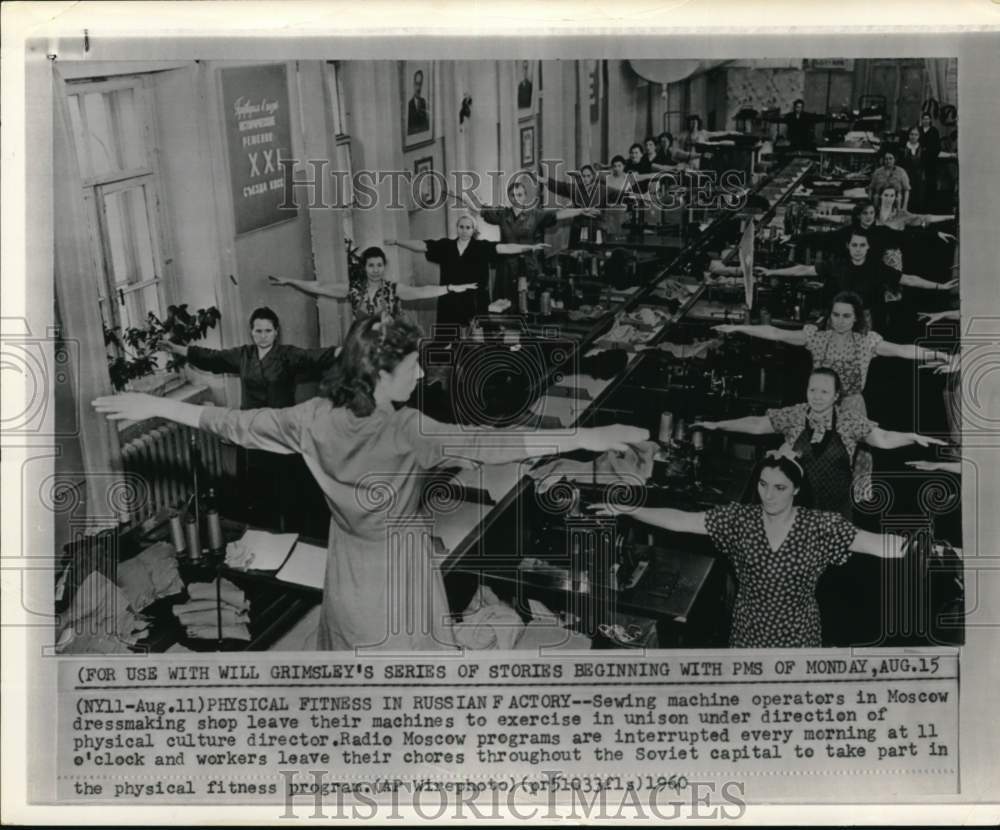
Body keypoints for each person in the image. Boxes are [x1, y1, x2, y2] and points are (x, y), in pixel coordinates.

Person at [95, 315, 649, 651]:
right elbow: (490, 443)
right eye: (412, 366)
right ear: (381, 373)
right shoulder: (407, 428)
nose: (422, 373)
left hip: (349, 566)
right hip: (402, 567)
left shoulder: (312, 416)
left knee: (355, 657)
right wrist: (586, 435)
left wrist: (155, 405)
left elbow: (232, 423)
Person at [593, 454, 916, 648]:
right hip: (748, 629)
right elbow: (682, 521)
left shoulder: (821, 526)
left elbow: (875, 543)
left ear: (796, 490)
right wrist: (630, 510)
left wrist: (933, 549)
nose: (768, 495)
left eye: (779, 488)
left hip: (798, 633)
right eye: (763, 484)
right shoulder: (739, 520)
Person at [714, 292, 950, 500]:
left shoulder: (867, 342)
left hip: (851, 407)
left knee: (849, 461)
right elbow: (776, 332)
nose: (840, 320)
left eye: (846, 316)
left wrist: (941, 355)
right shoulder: (817, 338)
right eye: (836, 315)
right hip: (819, 407)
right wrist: (739, 328)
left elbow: (903, 350)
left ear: (856, 318)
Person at [163, 306, 340, 532]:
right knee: (257, 489)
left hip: (281, 431)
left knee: (287, 488)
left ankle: (292, 533)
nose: (263, 336)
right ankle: (262, 534)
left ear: (276, 332)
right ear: (251, 331)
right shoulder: (244, 355)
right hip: (251, 430)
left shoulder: (288, 355)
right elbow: (213, 358)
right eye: (258, 331)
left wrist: (350, 350)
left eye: (268, 331)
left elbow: (317, 356)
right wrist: (178, 349)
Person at [693, 368, 945, 517]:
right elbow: (758, 424)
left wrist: (912, 437)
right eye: (812, 390)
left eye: (824, 392)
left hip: (835, 509)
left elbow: (884, 439)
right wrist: (718, 425)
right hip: (794, 507)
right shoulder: (795, 414)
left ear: (836, 396)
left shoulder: (848, 421)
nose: (817, 396)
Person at [758, 228, 957, 330]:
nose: (858, 250)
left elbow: (909, 280)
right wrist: (771, 272)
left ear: (868, 247)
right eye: (854, 245)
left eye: (862, 245)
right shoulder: (837, 265)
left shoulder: (877, 268)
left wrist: (939, 286)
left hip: (863, 321)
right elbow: (804, 270)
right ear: (848, 247)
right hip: (836, 318)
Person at [385, 215, 548, 333]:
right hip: (450, 298)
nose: (464, 230)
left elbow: (504, 248)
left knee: (478, 337)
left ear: (473, 230)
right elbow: (422, 245)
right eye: (461, 227)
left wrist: (530, 247)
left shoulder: (481, 247)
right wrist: (398, 242)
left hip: (475, 299)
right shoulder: (446, 246)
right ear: (457, 228)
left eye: (468, 227)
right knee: (448, 337)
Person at [447, 176, 599, 300]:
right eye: (513, 195)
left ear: (525, 196)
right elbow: (478, 208)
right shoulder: (502, 214)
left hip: (528, 267)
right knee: (505, 304)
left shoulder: (535, 214)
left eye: (519, 195)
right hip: (506, 268)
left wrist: (580, 211)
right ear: (509, 197)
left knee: (528, 303)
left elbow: (558, 214)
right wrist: (458, 195)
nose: (516, 198)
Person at [269, 246, 476, 321]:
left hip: (390, 346)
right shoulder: (353, 289)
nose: (375, 270)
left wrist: (449, 288)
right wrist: (291, 281)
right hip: (363, 345)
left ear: (384, 266)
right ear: (364, 267)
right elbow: (320, 287)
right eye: (371, 265)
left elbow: (422, 291)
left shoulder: (393, 289)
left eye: (379, 265)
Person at [873, 184, 955, 272]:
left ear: (895, 197)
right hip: (873, 255)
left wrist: (950, 217)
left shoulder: (901, 214)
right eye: (886, 195)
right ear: (880, 196)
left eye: (892, 195)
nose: (889, 199)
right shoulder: (872, 212)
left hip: (892, 258)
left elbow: (924, 218)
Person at [918, 113, 942, 208]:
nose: (925, 120)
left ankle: (931, 201)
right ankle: (919, 201)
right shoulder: (918, 130)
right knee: (919, 180)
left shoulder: (934, 131)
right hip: (919, 159)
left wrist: (929, 151)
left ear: (930, 120)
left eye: (927, 119)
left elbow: (937, 146)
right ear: (921, 120)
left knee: (931, 180)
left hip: (931, 160)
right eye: (924, 119)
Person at [407, 69, 429, 135]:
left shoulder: (423, 102)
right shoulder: (409, 104)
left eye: (420, 84)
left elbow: (425, 125)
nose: (418, 88)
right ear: (413, 84)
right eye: (417, 84)